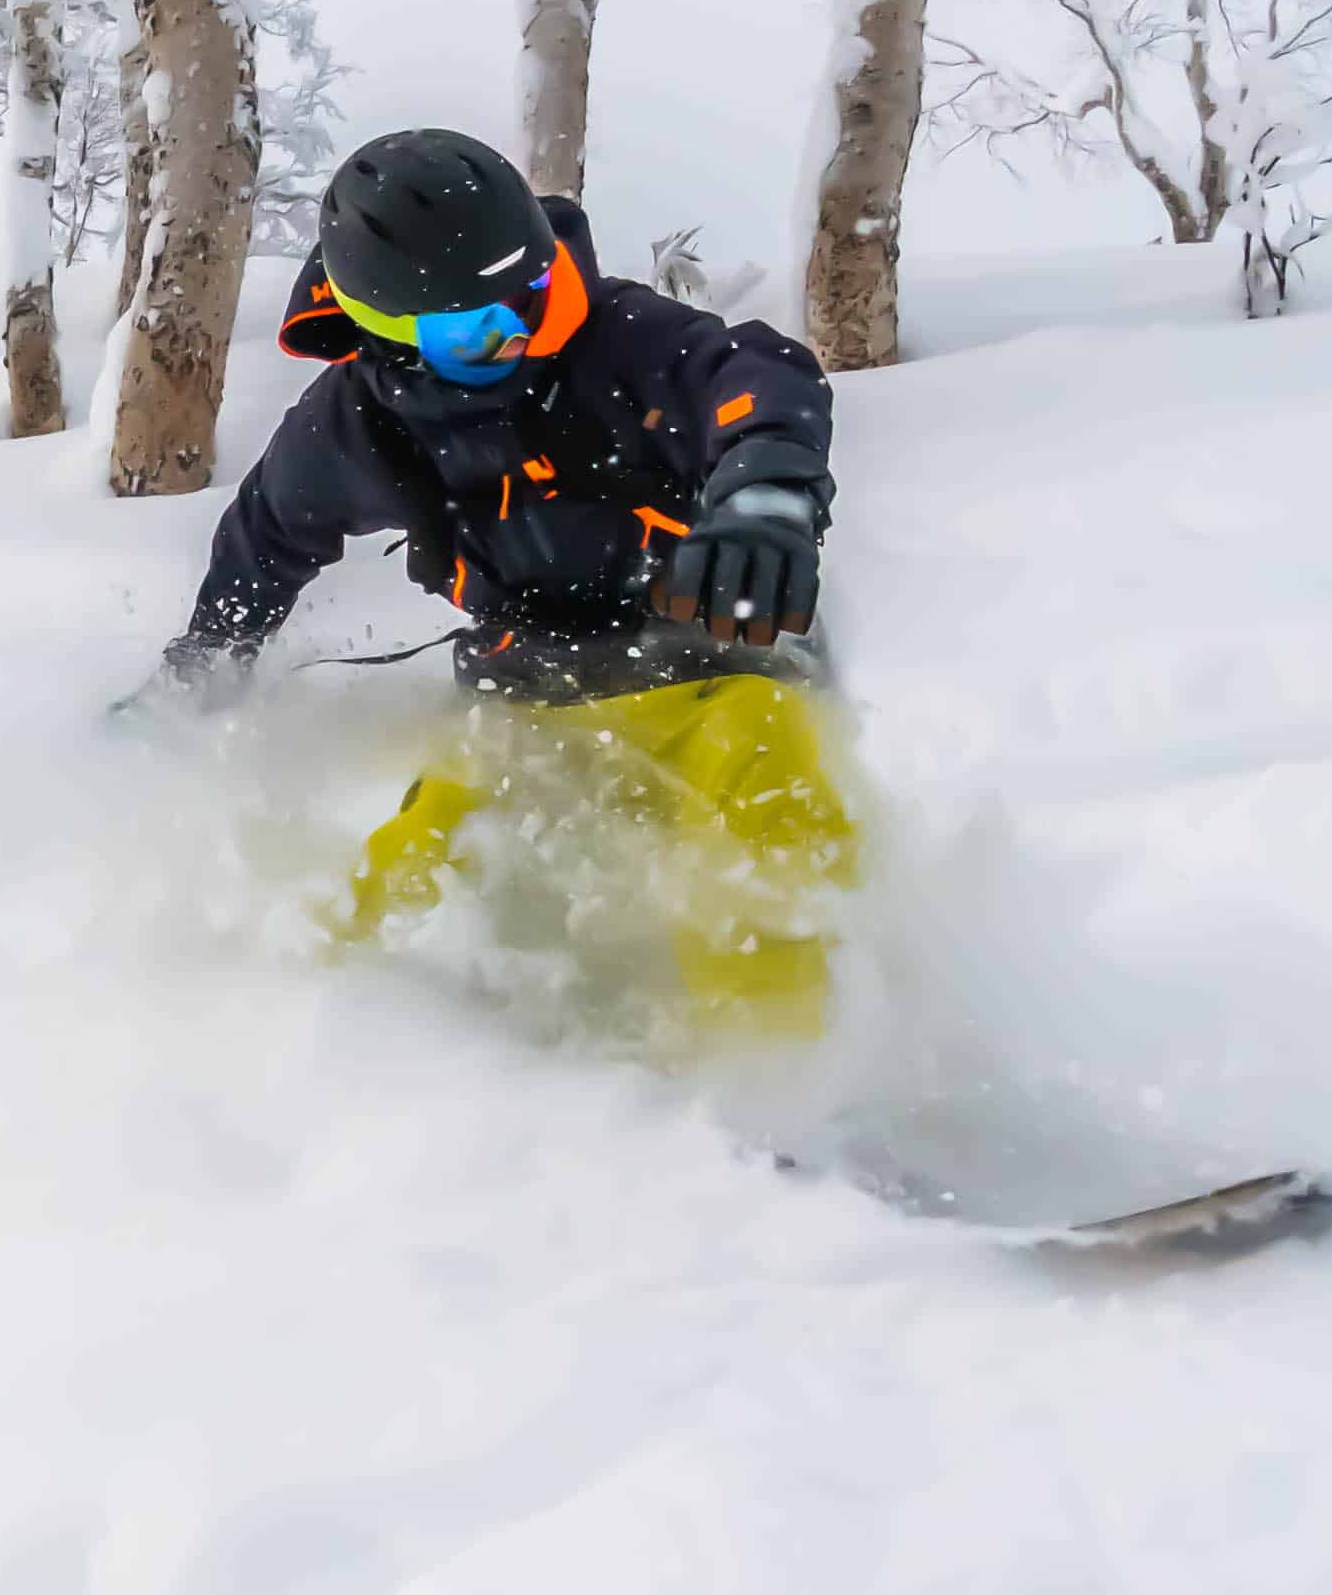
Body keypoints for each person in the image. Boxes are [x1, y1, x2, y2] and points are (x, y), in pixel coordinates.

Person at [140, 127, 856, 1024]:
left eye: (532, 293)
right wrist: (207, 657)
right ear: (386, 334)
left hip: (717, 663)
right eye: (477, 330)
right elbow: (266, 536)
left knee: (770, 831)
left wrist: (767, 498)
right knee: (415, 881)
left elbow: (758, 382)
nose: (520, 332)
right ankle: (335, 1068)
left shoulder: (621, 339)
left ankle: (778, 1090)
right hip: (528, 692)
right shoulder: (362, 423)